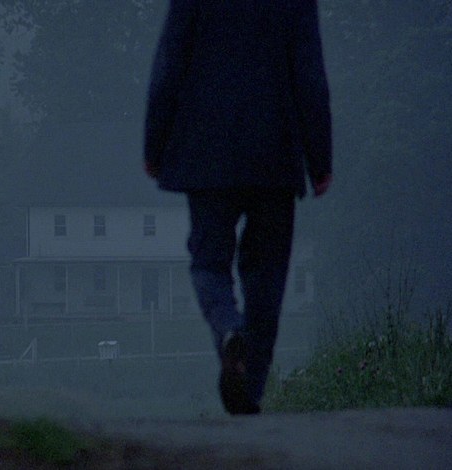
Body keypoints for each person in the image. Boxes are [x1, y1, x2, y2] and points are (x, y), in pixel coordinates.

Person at [144, 1, 332, 414]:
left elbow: (169, 65)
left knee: (209, 262)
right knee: (267, 275)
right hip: (274, 154)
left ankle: (229, 329)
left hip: (206, 153)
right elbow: (310, 75)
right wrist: (320, 160)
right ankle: (251, 389)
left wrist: (154, 147)